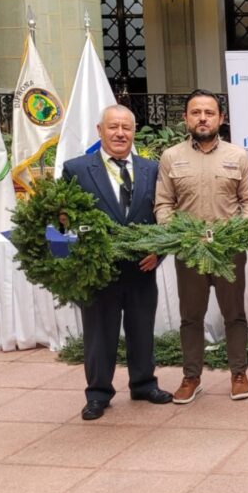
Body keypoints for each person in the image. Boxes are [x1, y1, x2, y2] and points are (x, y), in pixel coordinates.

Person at [61, 105, 172, 420]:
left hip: (141, 268)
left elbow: (164, 214)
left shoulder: (151, 169)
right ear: (100, 130)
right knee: (99, 334)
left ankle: (143, 384)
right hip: (98, 273)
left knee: (142, 330)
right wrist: (72, 263)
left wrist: (159, 251)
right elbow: (62, 220)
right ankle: (98, 393)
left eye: (126, 127)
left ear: (134, 132)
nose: (120, 133)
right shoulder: (77, 169)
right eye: (113, 127)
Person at [154, 89, 248, 403]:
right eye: (196, 112)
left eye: (209, 113)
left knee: (234, 315)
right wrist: (177, 234)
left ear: (221, 119)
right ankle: (191, 377)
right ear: (186, 118)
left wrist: (244, 229)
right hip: (189, 253)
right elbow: (164, 205)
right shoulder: (171, 157)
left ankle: (239, 373)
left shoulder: (237, 156)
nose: (203, 118)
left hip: (228, 251)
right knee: (191, 317)